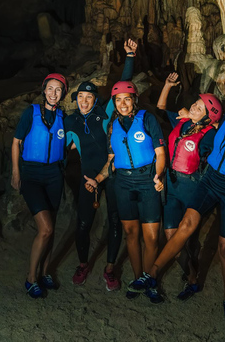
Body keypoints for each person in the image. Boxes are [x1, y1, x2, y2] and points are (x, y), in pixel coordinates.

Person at [145, 79, 225, 321]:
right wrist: (187, 113)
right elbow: (206, 118)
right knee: (186, 225)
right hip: (211, 179)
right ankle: (152, 273)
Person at [65, 39, 138, 291]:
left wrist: (129, 57)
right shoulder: (71, 122)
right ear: (76, 100)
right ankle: (83, 264)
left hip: (113, 175)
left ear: (95, 99)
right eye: (80, 97)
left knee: (115, 221)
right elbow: (60, 145)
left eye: (89, 97)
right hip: (88, 178)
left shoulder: (105, 113)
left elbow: (121, 88)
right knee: (84, 223)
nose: (84, 101)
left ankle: (109, 269)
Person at [85, 81, 166, 303]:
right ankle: (138, 278)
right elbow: (112, 160)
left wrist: (158, 176)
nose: (122, 104)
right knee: (131, 233)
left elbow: (160, 153)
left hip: (147, 181)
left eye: (127, 99)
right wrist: (99, 179)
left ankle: (151, 281)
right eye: (118, 100)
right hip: (123, 184)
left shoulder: (147, 119)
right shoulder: (113, 126)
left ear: (134, 99)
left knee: (151, 237)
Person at [155, 72, 222, 301]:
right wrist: (167, 84)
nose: (193, 106)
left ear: (207, 117)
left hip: (193, 188)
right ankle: (190, 271)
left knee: (189, 239)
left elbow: (220, 151)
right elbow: (161, 106)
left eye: (199, 107)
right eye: (195, 103)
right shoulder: (182, 121)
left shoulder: (211, 134)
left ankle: (192, 278)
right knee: (171, 233)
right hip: (171, 185)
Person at [11, 73, 69, 299]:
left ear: (63, 93)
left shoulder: (64, 117)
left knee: (51, 228)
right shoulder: (31, 113)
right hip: (32, 175)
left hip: (54, 175)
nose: (54, 93)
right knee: (45, 229)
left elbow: (70, 141)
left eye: (58, 90)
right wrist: (16, 172)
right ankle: (31, 279)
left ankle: (45, 273)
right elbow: (16, 142)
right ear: (44, 90)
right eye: (50, 89)